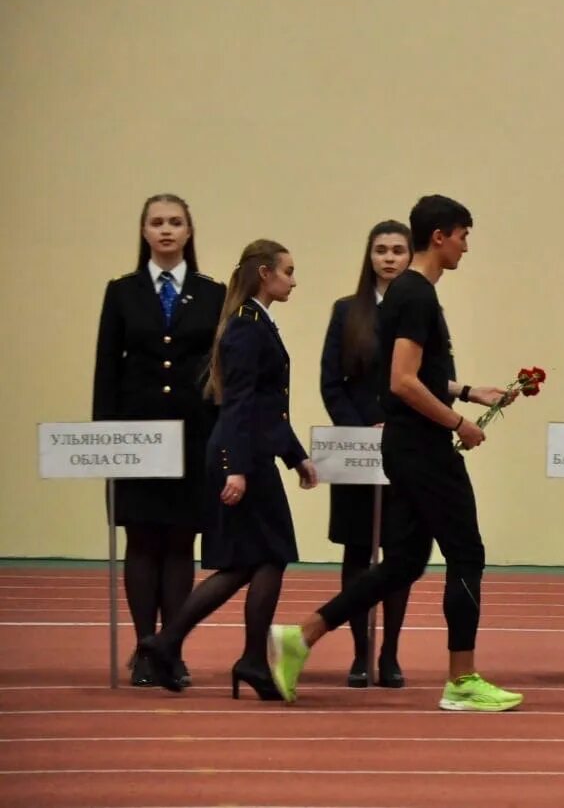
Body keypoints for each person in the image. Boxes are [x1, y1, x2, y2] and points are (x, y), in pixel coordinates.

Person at [269, 194, 523, 712]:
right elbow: (403, 382)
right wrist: (459, 424)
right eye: (463, 236)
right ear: (440, 237)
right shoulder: (416, 296)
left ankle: (300, 637)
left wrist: (470, 392)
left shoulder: (410, 295)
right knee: (467, 554)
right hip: (422, 448)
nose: (466, 247)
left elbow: (421, 375)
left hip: (407, 447)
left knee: (404, 562)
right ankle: (462, 679)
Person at [140, 239, 318, 700]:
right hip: (242, 456)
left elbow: (267, 405)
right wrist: (235, 469)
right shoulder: (246, 327)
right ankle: (238, 657)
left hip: (253, 452)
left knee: (249, 562)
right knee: (269, 555)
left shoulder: (257, 324)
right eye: (289, 270)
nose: (294, 280)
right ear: (265, 273)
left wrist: (294, 455)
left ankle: (173, 644)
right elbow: (237, 403)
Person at [92, 193, 225, 687]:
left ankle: (171, 648)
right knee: (142, 538)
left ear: (189, 232)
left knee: (180, 540)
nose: (166, 230)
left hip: (193, 434)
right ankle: (145, 647)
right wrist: (106, 436)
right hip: (137, 432)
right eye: (156, 222)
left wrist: (222, 441)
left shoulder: (212, 294)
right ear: (144, 231)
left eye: (175, 222)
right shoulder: (122, 291)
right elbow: (108, 368)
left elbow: (220, 372)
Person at [320, 220, 414, 688]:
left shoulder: (423, 310)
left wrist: (396, 428)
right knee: (359, 551)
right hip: (355, 451)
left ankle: (390, 653)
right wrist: (362, 431)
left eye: (398, 249)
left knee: (399, 552)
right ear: (370, 256)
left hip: (405, 448)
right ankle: (360, 653)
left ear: (410, 255)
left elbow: (433, 378)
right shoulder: (346, 311)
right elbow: (330, 384)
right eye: (381, 250)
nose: (390, 258)